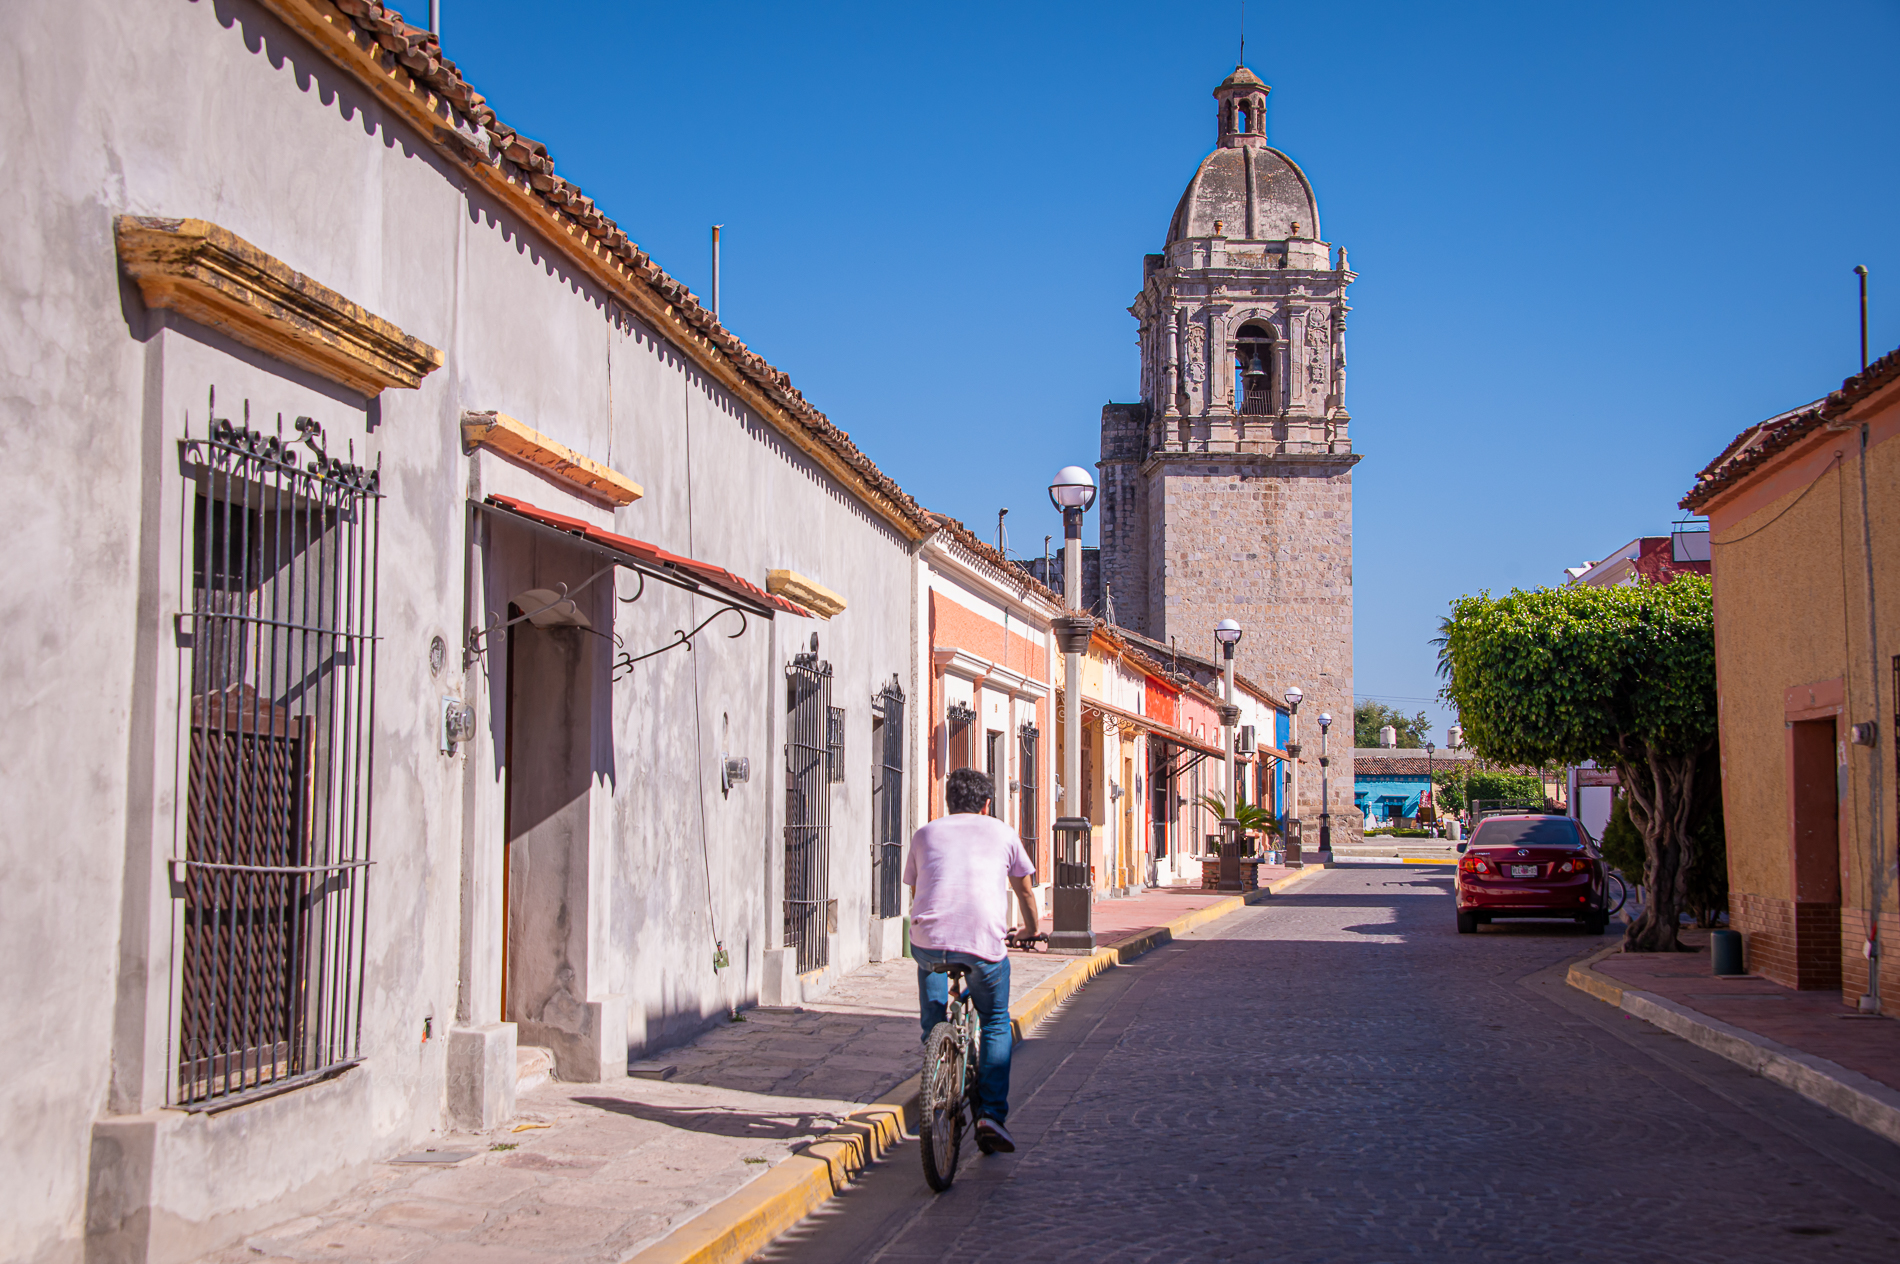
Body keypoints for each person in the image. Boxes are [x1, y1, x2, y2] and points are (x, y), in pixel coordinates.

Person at [904, 766, 1038, 1155]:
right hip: (981, 943)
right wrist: (1030, 930)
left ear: (948, 802)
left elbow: (917, 888)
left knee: (928, 967)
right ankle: (991, 1114)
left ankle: (936, 1042)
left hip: (929, 940)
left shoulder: (925, 833)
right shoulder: (1002, 832)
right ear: (986, 804)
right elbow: (1025, 891)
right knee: (995, 1021)